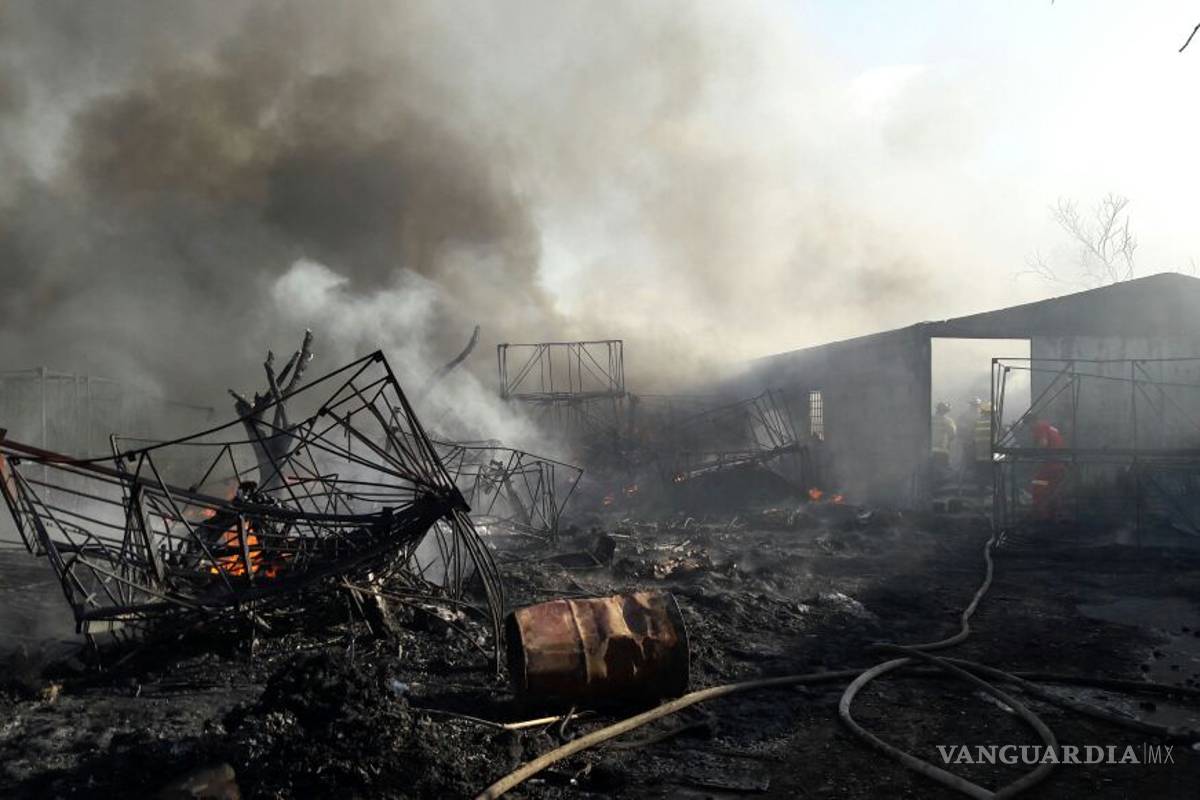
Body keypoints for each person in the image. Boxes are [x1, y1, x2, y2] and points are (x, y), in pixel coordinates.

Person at [1030, 420, 1067, 520]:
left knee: (1038, 485)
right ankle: (1054, 515)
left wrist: (1034, 454)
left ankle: (1040, 515)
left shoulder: (1040, 427)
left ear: (1030, 423)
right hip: (1059, 465)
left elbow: (1043, 443)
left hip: (1051, 465)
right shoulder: (1051, 428)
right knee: (1052, 489)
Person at [931, 401, 956, 490]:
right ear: (946, 411)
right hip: (942, 449)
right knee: (941, 468)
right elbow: (953, 434)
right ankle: (938, 487)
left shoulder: (930, 419)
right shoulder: (948, 421)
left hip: (928, 449)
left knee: (932, 467)